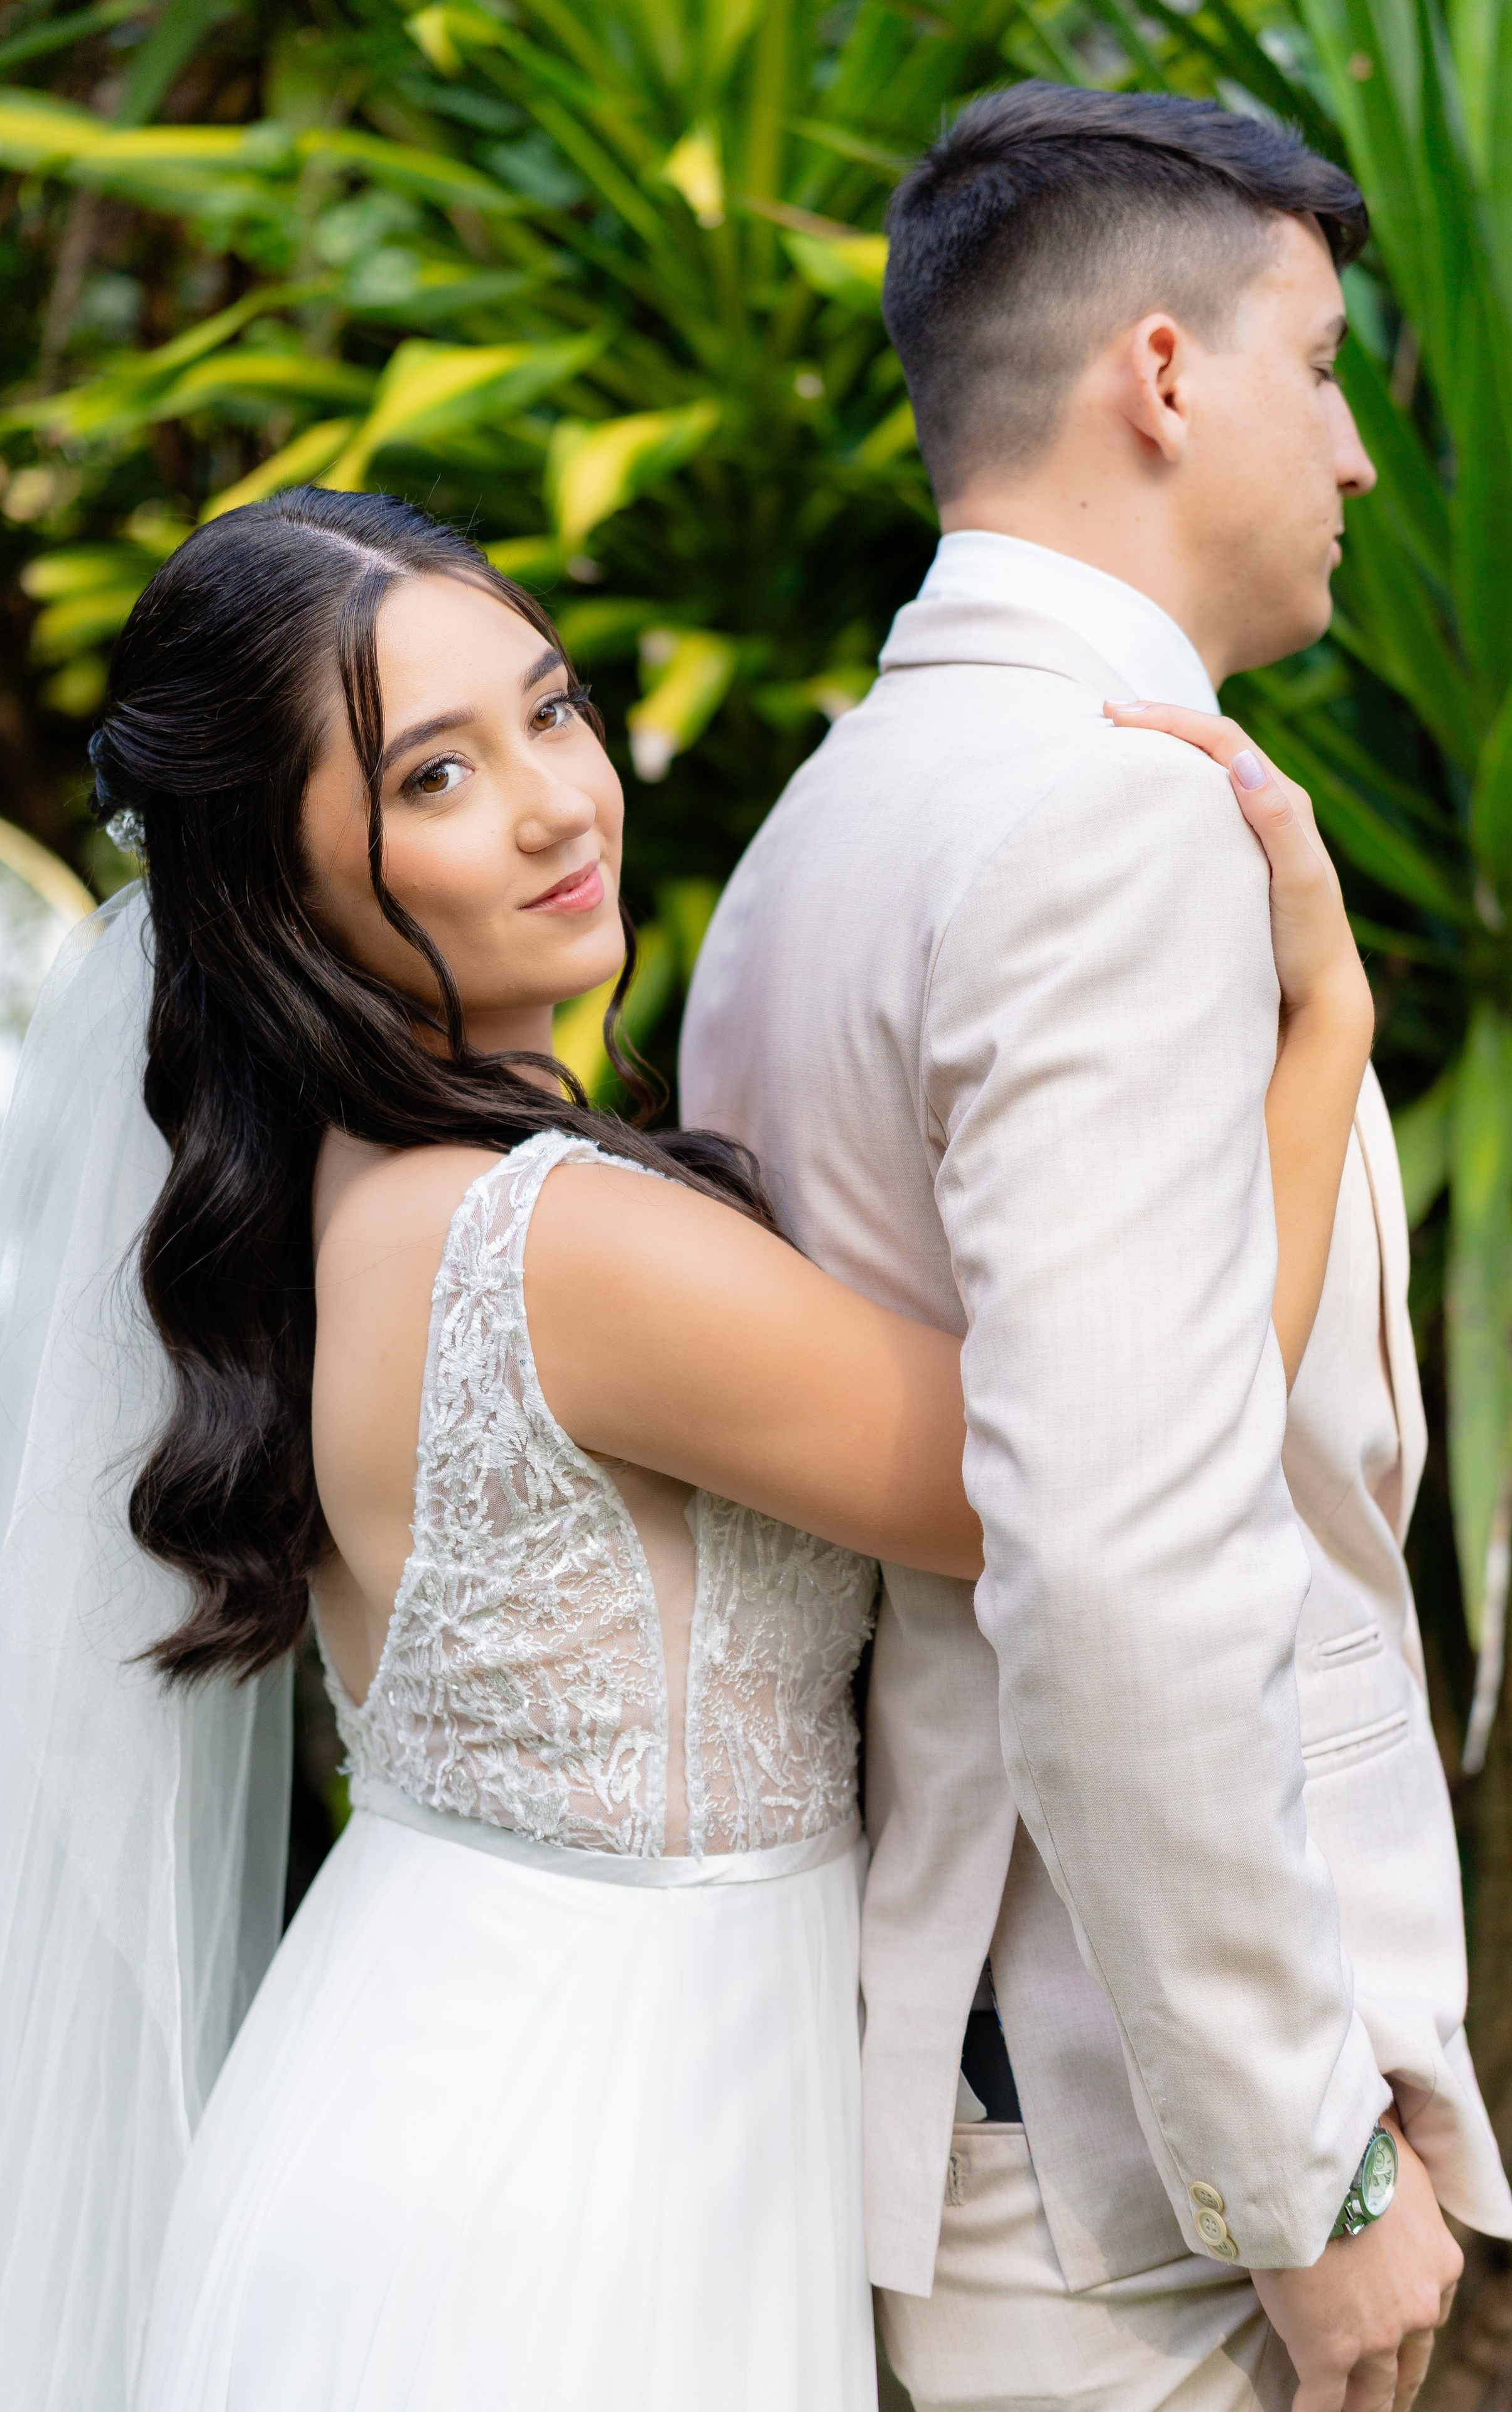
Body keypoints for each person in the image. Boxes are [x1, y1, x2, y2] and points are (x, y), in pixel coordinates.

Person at [0, 482, 1364, 2412]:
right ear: (280, 879)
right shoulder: (558, 1242)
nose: (554, 802)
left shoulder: (373, 1195)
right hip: (560, 2172)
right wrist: (1324, 1029)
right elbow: (1092, 1482)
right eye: (435, 777)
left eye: (554, 708)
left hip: (519, 2085)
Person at [680, 81, 1512, 2412]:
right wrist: (1305, 2169)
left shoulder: (824, 825)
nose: (1358, 456)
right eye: (1325, 366)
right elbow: (1128, 1551)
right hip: (1123, 2178)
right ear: (1161, 374)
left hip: (972, 2100)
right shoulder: (1107, 830)